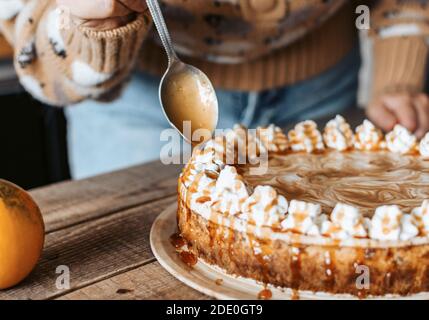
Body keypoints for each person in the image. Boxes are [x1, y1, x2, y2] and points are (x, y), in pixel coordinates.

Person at [1, 0, 429, 178]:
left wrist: (398, 70)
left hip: (324, 92)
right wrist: (92, 25)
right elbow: (37, 54)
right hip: (141, 103)